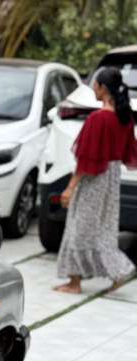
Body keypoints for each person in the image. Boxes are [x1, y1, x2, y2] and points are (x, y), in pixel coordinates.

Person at [55, 66, 136, 294]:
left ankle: (75, 282)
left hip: (94, 179)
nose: (92, 87)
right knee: (103, 229)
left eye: (95, 84)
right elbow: (127, 152)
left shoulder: (98, 119)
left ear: (102, 88)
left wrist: (70, 188)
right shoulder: (125, 118)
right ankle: (116, 271)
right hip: (112, 179)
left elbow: (86, 159)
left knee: (78, 228)